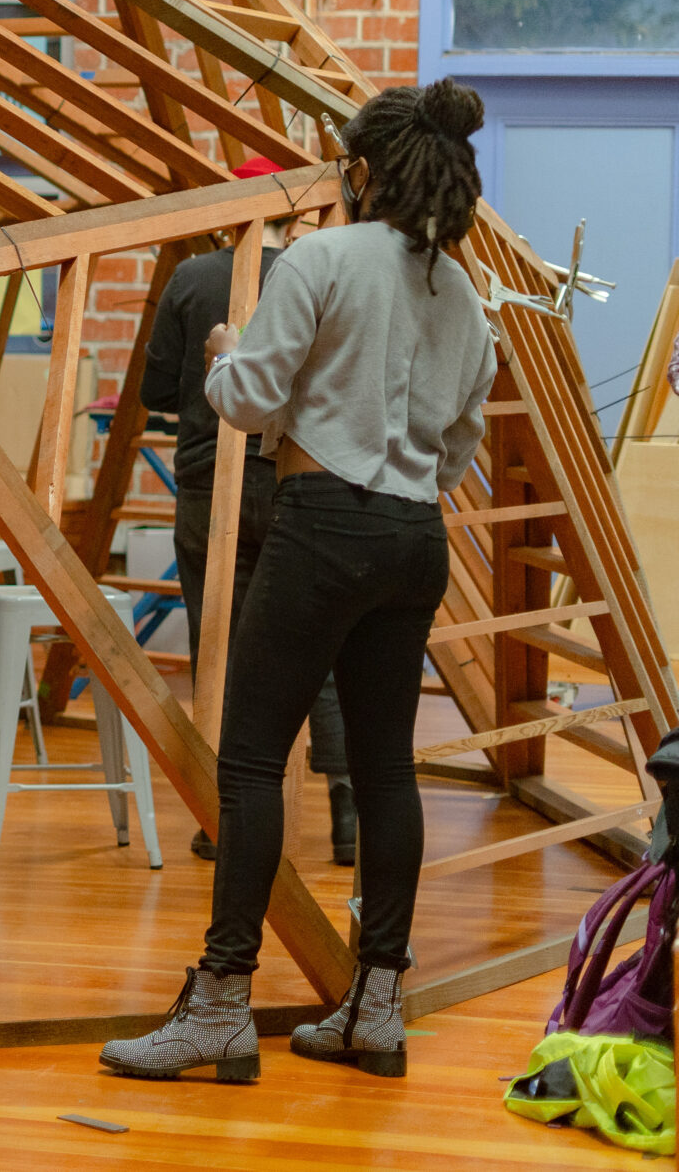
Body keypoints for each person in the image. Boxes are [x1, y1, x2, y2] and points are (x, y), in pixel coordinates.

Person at [101, 80, 496, 1084]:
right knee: (385, 772)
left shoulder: (319, 257)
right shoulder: (464, 296)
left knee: (246, 764)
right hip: (415, 538)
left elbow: (247, 402)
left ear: (361, 172)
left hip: (321, 522)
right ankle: (376, 1008)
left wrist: (226, 351)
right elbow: (457, 451)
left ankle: (221, 1005)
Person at [141, 156, 354, 867]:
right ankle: (347, 812)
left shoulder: (192, 278)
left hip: (208, 487)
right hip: (297, 479)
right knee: (317, 650)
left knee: (222, 654)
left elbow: (156, 392)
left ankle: (224, 819)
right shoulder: (313, 270)